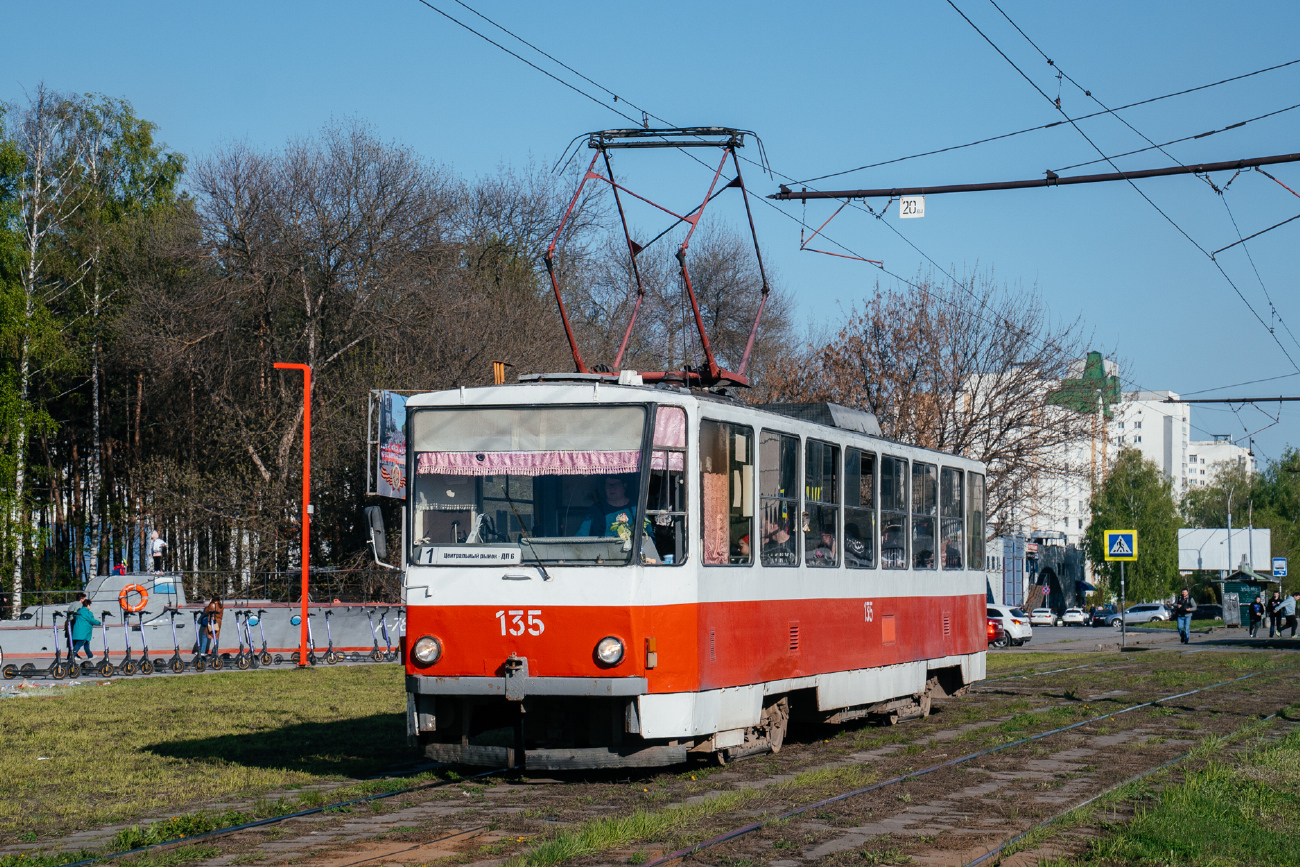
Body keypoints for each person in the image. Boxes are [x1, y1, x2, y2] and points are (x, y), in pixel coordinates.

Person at [69, 595, 100, 660]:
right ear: (88, 605)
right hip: (84, 631)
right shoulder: (88, 613)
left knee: (86, 644)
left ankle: (90, 656)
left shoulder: (79, 611)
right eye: (90, 605)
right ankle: (73, 655)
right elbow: (91, 620)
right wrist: (99, 623)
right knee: (79, 643)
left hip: (78, 630)